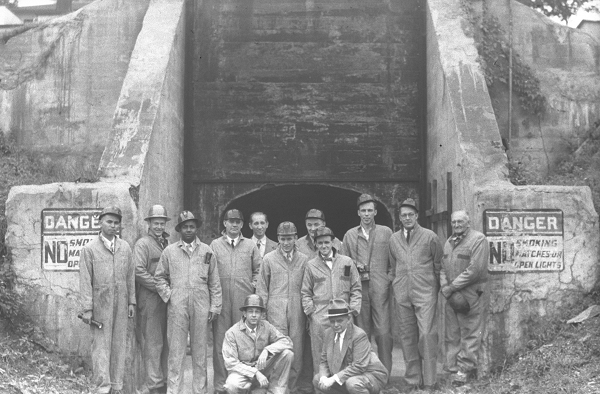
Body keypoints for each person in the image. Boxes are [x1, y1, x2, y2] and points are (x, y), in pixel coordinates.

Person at [155, 211, 222, 394]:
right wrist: (170, 296)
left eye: (192, 226)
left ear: (196, 228)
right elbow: (159, 277)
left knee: (200, 351)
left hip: (201, 302)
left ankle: (199, 390)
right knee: (176, 351)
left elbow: (214, 281)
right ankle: (174, 390)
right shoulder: (170, 251)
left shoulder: (207, 251)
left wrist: (215, 306)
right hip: (178, 303)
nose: (189, 230)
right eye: (185, 226)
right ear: (179, 229)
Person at [79, 206, 135, 394]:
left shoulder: (125, 247)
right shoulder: (89, 249)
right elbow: (85, 280)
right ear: (100, 222)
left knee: (119, 344)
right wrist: (87, 308)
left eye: (116, 222)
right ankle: (102, 387)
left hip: (121, 302)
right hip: (100, 304)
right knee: (101, 347)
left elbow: (130, 276)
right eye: (109, 221)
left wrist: (131, 302)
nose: (112, 225)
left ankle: (117, 386)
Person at [389, 198, 443, 390]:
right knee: (407, 336)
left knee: (427, 334)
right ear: (400, 217)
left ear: (417, 216)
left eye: (411, 214)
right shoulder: (394, 239)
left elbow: (438, 264)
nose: (407, 218)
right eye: (403, 215)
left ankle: (429, 381)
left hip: (425, 292)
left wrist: (435, 287)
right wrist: (395, 285)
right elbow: (392, 266)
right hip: (402, 293)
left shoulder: (430, 237)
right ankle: (412, 380)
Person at [210, 209, 262, 394]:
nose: (234, 225)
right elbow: (209, 271)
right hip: (222, 300)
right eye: (230, 221)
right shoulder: (215, 245)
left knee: (243, 342)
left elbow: (259, 270)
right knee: (220, 343)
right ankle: (220, 385)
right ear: (224, 223)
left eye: (238, 222)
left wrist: (251, 285)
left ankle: (241, 383)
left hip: (243, 302)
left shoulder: (250, 245)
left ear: (242, 224)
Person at [341, 194, 393, 373]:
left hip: (380, 288)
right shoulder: (349, 235)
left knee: (384, 332)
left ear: (375, 212)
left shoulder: (386, 232)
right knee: (362, 333)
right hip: (359, 289)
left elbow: (394, 261)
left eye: (370, 210)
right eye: (363, 211)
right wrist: (354, 268)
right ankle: (364, 373)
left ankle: (384, 374)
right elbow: (343, 266)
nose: (366, 214)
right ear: (358, 213)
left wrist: (388, 279)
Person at [256, 222, 309, 394]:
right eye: (283, 239)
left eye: (290, 238)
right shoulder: (269, 258)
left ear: (295, 238)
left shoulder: (303, 259)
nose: (286, 242)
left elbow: (308, 287)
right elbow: (262, 288)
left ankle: (292, 387)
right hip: (275, 308)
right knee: (278, 348)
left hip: (297, 308)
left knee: (297, 348)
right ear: (278, 239)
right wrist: (262, 314)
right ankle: (278, 387)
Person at [302, 227, 362, 375]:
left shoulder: (346, 262)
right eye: (320, 243)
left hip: (343, 314)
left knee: (345, 351)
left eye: (327, 242)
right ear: (315, 244)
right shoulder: (311, 265)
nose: (324, 246)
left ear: (333, 242)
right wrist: (311, 313)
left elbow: (356, 288)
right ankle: (321, 387)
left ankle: (343, 386)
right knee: (320, 353)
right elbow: (305, 292)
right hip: (320, 316)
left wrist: (353, 310)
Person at [440, 210, 490, 386]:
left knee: (470, 332)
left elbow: (474, 270)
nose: (456, 225)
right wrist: (444, 286)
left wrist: (452, 287)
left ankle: (464, 370)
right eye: (454, 222)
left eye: (460, 222)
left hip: (470, 294)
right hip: (452, 295)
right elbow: (442, 267)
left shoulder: (478, 240)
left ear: (468, 223)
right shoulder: (449, 242)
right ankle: (452, 369)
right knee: (452, 333)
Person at [313, 298, 388, 394]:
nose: (336, 324)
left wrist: (333, 379)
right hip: (347, 376)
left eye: (340, 321)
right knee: (317, 379)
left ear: (348, 319)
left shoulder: (359, 335)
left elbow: (359, 366)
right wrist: (324, 377)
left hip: (370, 375)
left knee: (352, 384)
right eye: (332, 321)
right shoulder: (328, 333)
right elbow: (324, 361)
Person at [222, 294, 294, 394]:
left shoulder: (266, 326)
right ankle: (253, 390)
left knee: (287, 354)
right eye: (250, 311)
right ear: (244, 313)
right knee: (232, 384)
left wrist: (267, 350)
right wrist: (255, 372)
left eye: (257, 312)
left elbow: (287, 342)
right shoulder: (232, 333)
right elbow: (231, 363)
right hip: (243, 372)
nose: (254, 315)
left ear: (261, 314)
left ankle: (276, 390)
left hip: (263, 368)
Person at [134, 205, 171, 394]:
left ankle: (163, 381)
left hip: (166, 300)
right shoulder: (143, 244)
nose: (159, 226)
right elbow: (138, 271)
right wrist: (160, 288)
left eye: (162, 223)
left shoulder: (166, 243)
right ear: (149, 223)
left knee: (167, 342)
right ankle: (154, 385)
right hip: (150, 299)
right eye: (155, 223)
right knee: (153, 343)